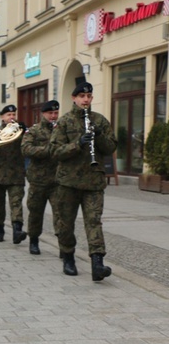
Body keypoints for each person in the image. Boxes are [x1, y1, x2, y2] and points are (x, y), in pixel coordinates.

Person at [51, 81, 117, 281]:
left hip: (93, 182)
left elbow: (111, 147)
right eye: (81, 96)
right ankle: (68, 257)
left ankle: (98, 263)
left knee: (94, 222)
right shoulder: (64, 122)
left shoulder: (100, 120)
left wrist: (98, 137)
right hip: (68, 183)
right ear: (74, 98)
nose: (85, 100)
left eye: (88, 97)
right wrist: (77, 144)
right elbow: (55, 152)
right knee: (66, 223)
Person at [21, 100, 60, 255]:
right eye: (50, 113)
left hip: (58, 180)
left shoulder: (62, 130)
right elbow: (26, 149)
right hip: (38, 180)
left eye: (56, 113)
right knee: (36, 212)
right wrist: (47, 151)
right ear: (43, 114)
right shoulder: (34, 131)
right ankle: (34, 240)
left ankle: (64, 245)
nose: (53, 116)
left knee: (61, 214)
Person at [0, 104, 27, 244]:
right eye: (9, 115)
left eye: (13, 114)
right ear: (2, 117)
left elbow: (26, 147)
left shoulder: (20, 132)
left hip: (16, 174)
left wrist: (24, 131)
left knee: (16, 204)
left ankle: (17, 230)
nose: (12, 117)